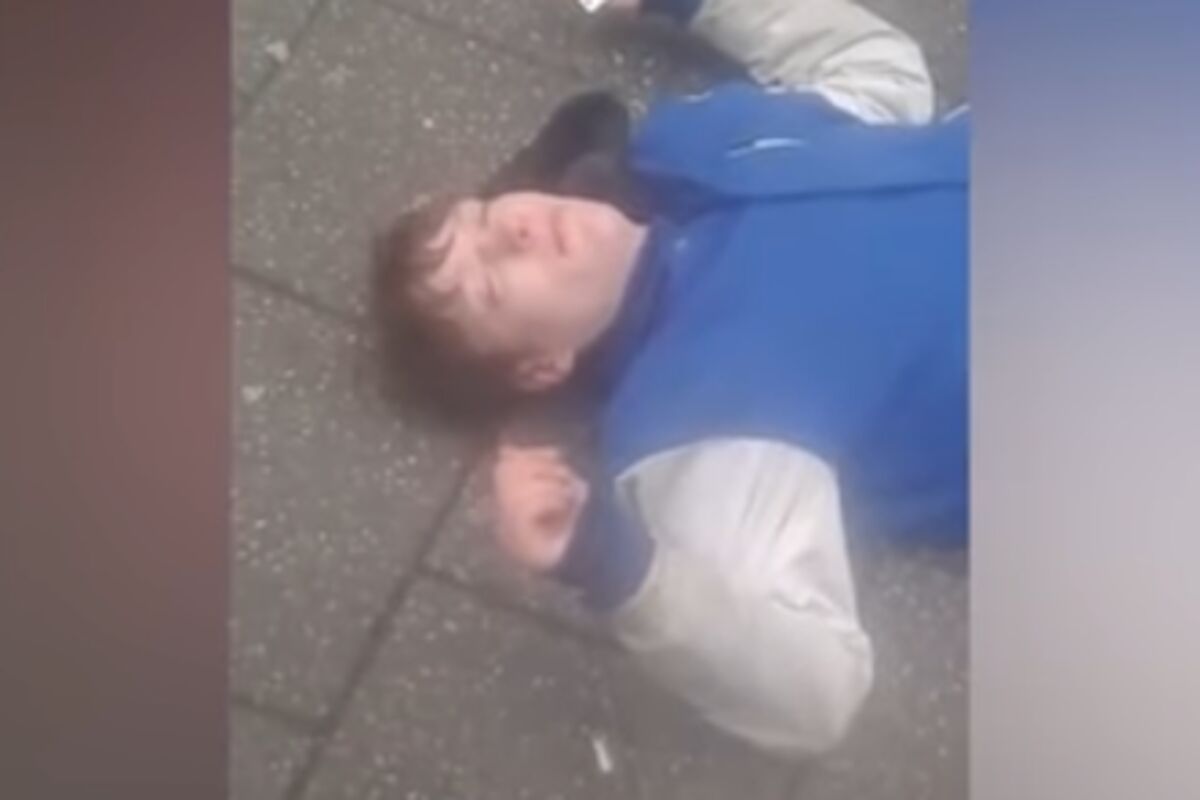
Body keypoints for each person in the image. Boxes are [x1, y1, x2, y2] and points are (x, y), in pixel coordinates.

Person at [373, 0, 967, 759]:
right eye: (492, 281)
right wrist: (612, 563)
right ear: (544, 364)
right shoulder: (698, 429)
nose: (513, 227)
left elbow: (877, 76)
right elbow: (816, 696)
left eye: (483, 216)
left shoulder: (694, 143)